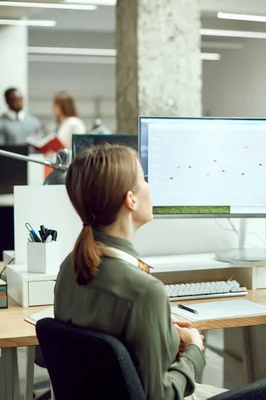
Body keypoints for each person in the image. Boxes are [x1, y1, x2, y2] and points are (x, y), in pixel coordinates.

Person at [54, 144, 227, 399]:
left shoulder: (68, 269)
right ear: (131, 199)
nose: (149, 185)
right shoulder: (145, 292)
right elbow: (160, 396)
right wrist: (194, 349)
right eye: (144, 178)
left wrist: (164, 332)